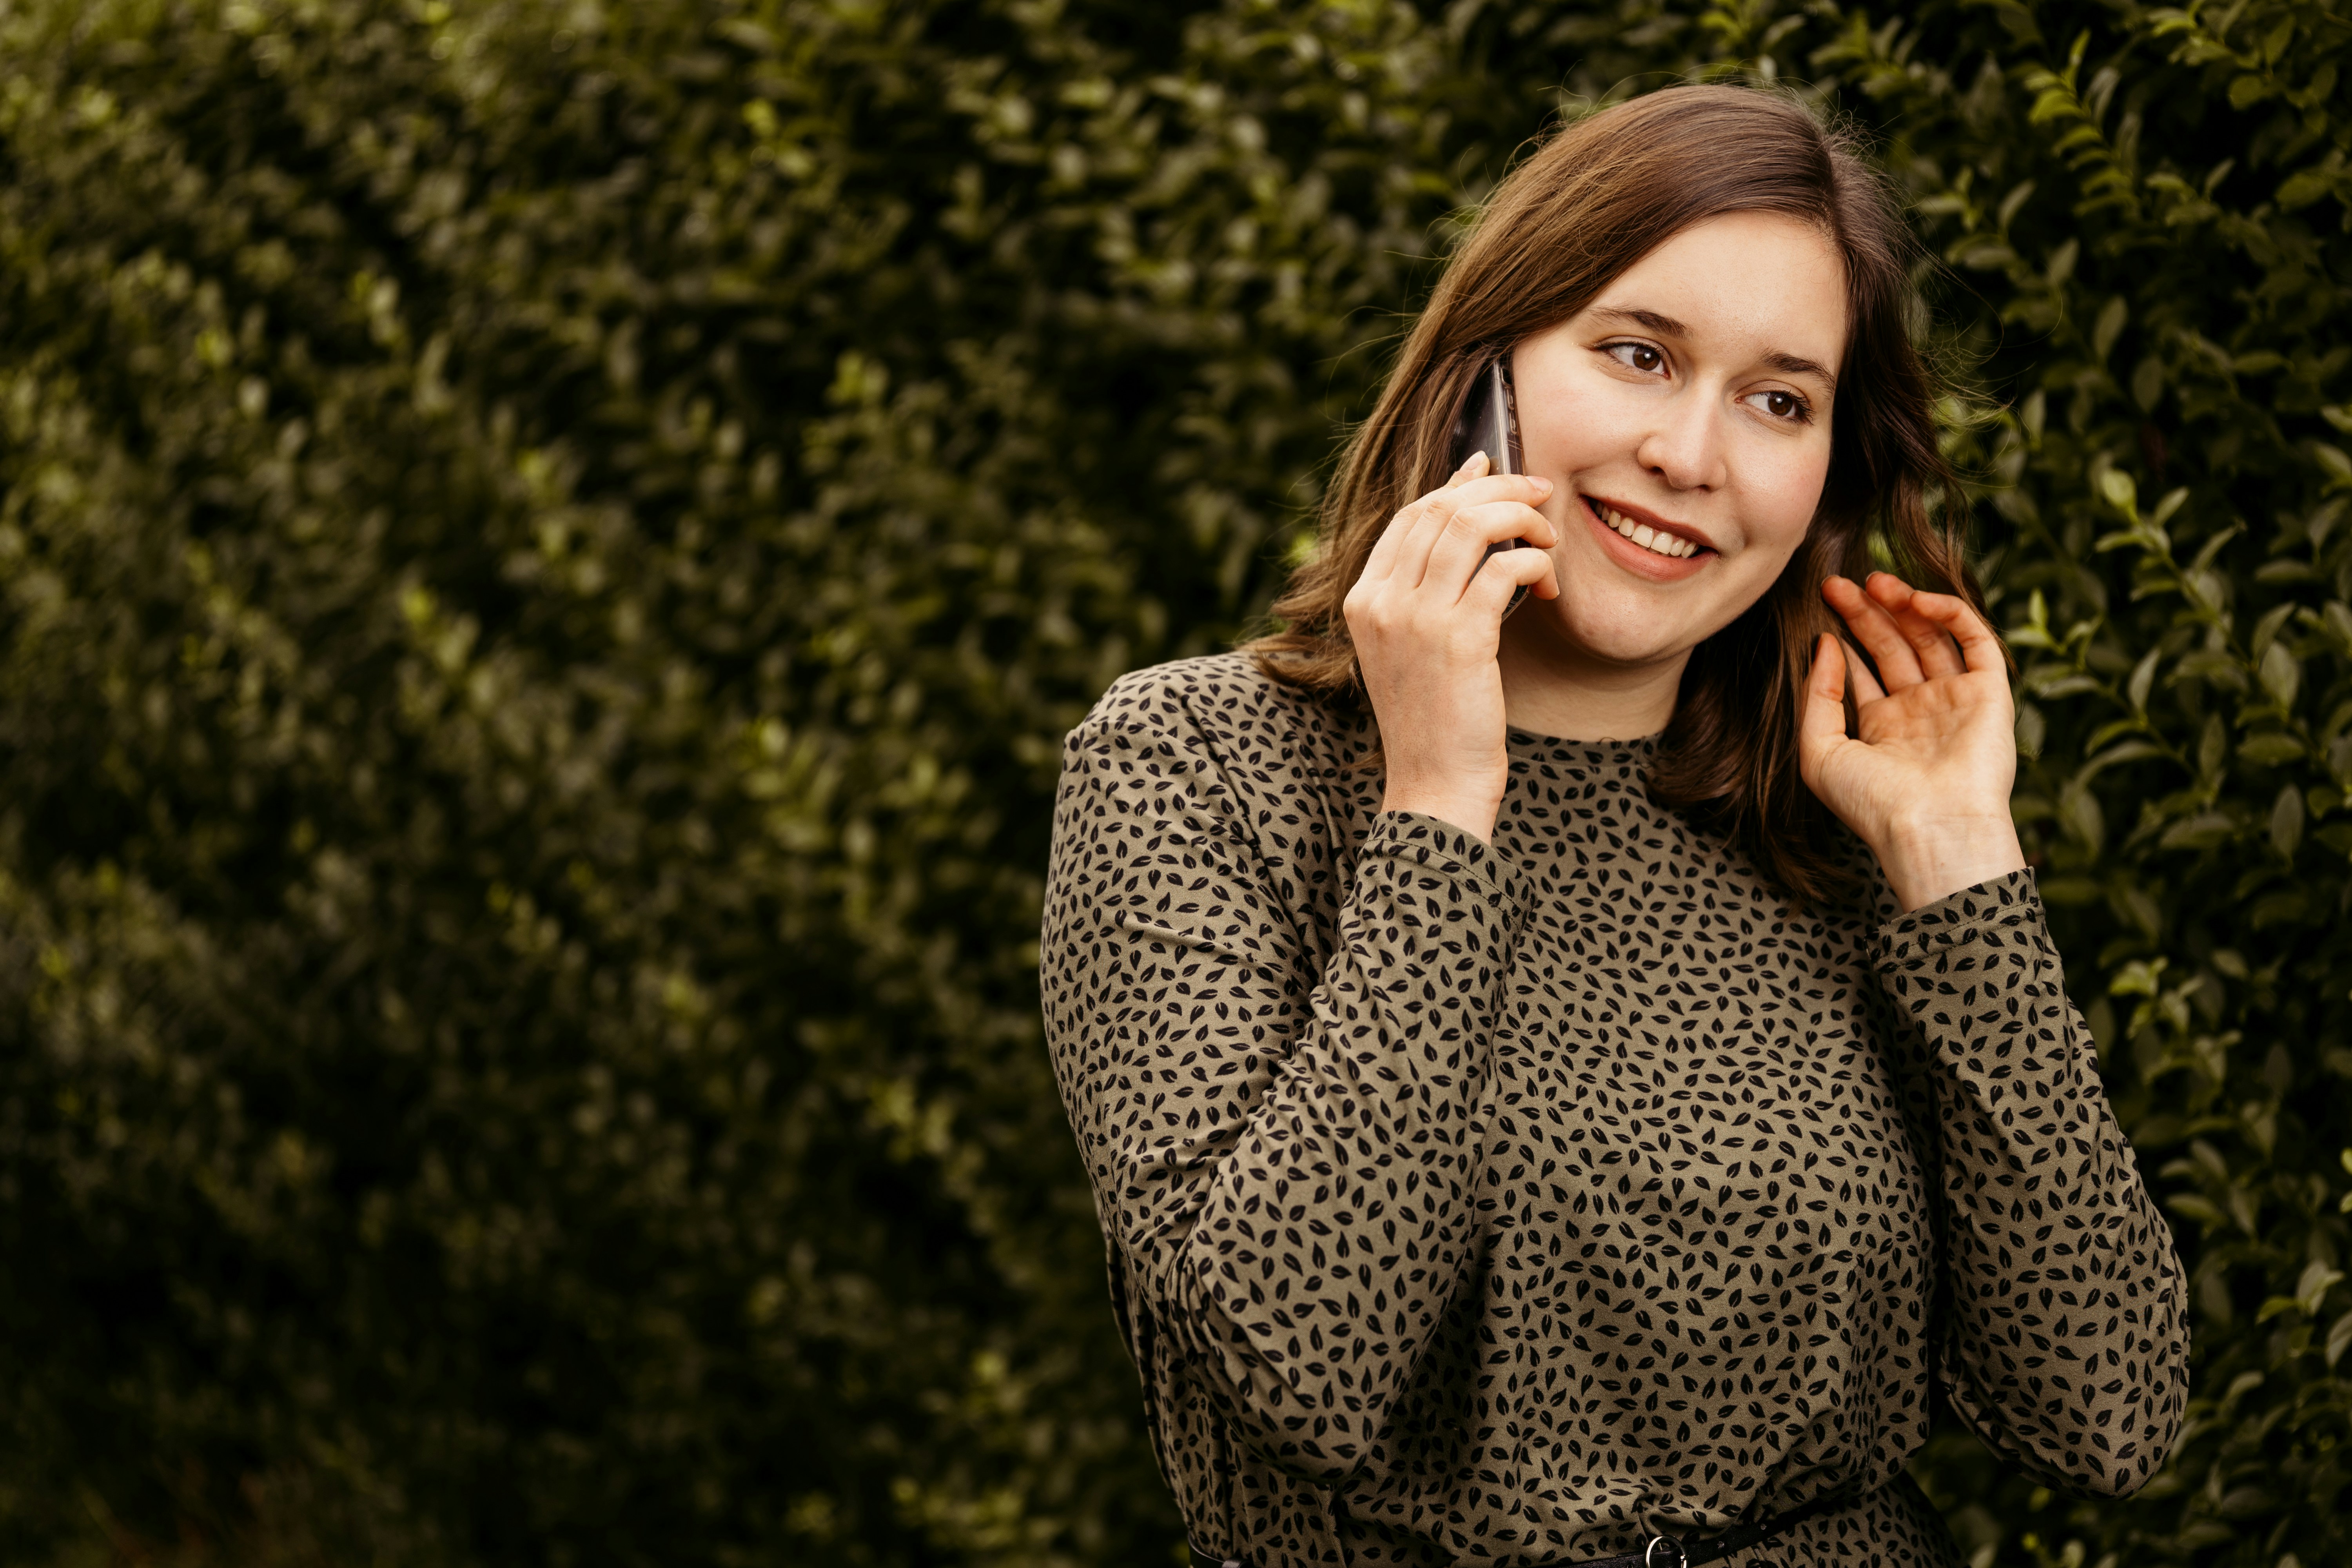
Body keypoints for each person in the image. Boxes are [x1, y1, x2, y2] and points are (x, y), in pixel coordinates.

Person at [1039, 84, 2188, 1568]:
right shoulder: (1194, 766)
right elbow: (1298, 1369)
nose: (1692, 455)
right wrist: (1441, 802)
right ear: (1484, 375)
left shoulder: (1834, 829)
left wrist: (1960, 870)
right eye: (1640, 356)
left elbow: (2107, 1414)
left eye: (1780, 400)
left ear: (1830, 470)